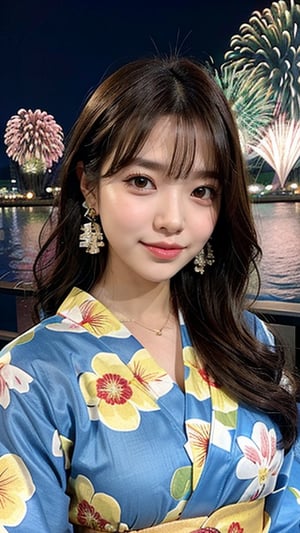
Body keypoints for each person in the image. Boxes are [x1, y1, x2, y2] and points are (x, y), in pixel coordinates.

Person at [0, 55, 299, 533]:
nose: (173, 220)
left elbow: (293, 489)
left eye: (202, 190)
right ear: (89, 186)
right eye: (142, 181)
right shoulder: (30, 376)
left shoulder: (248, 337)